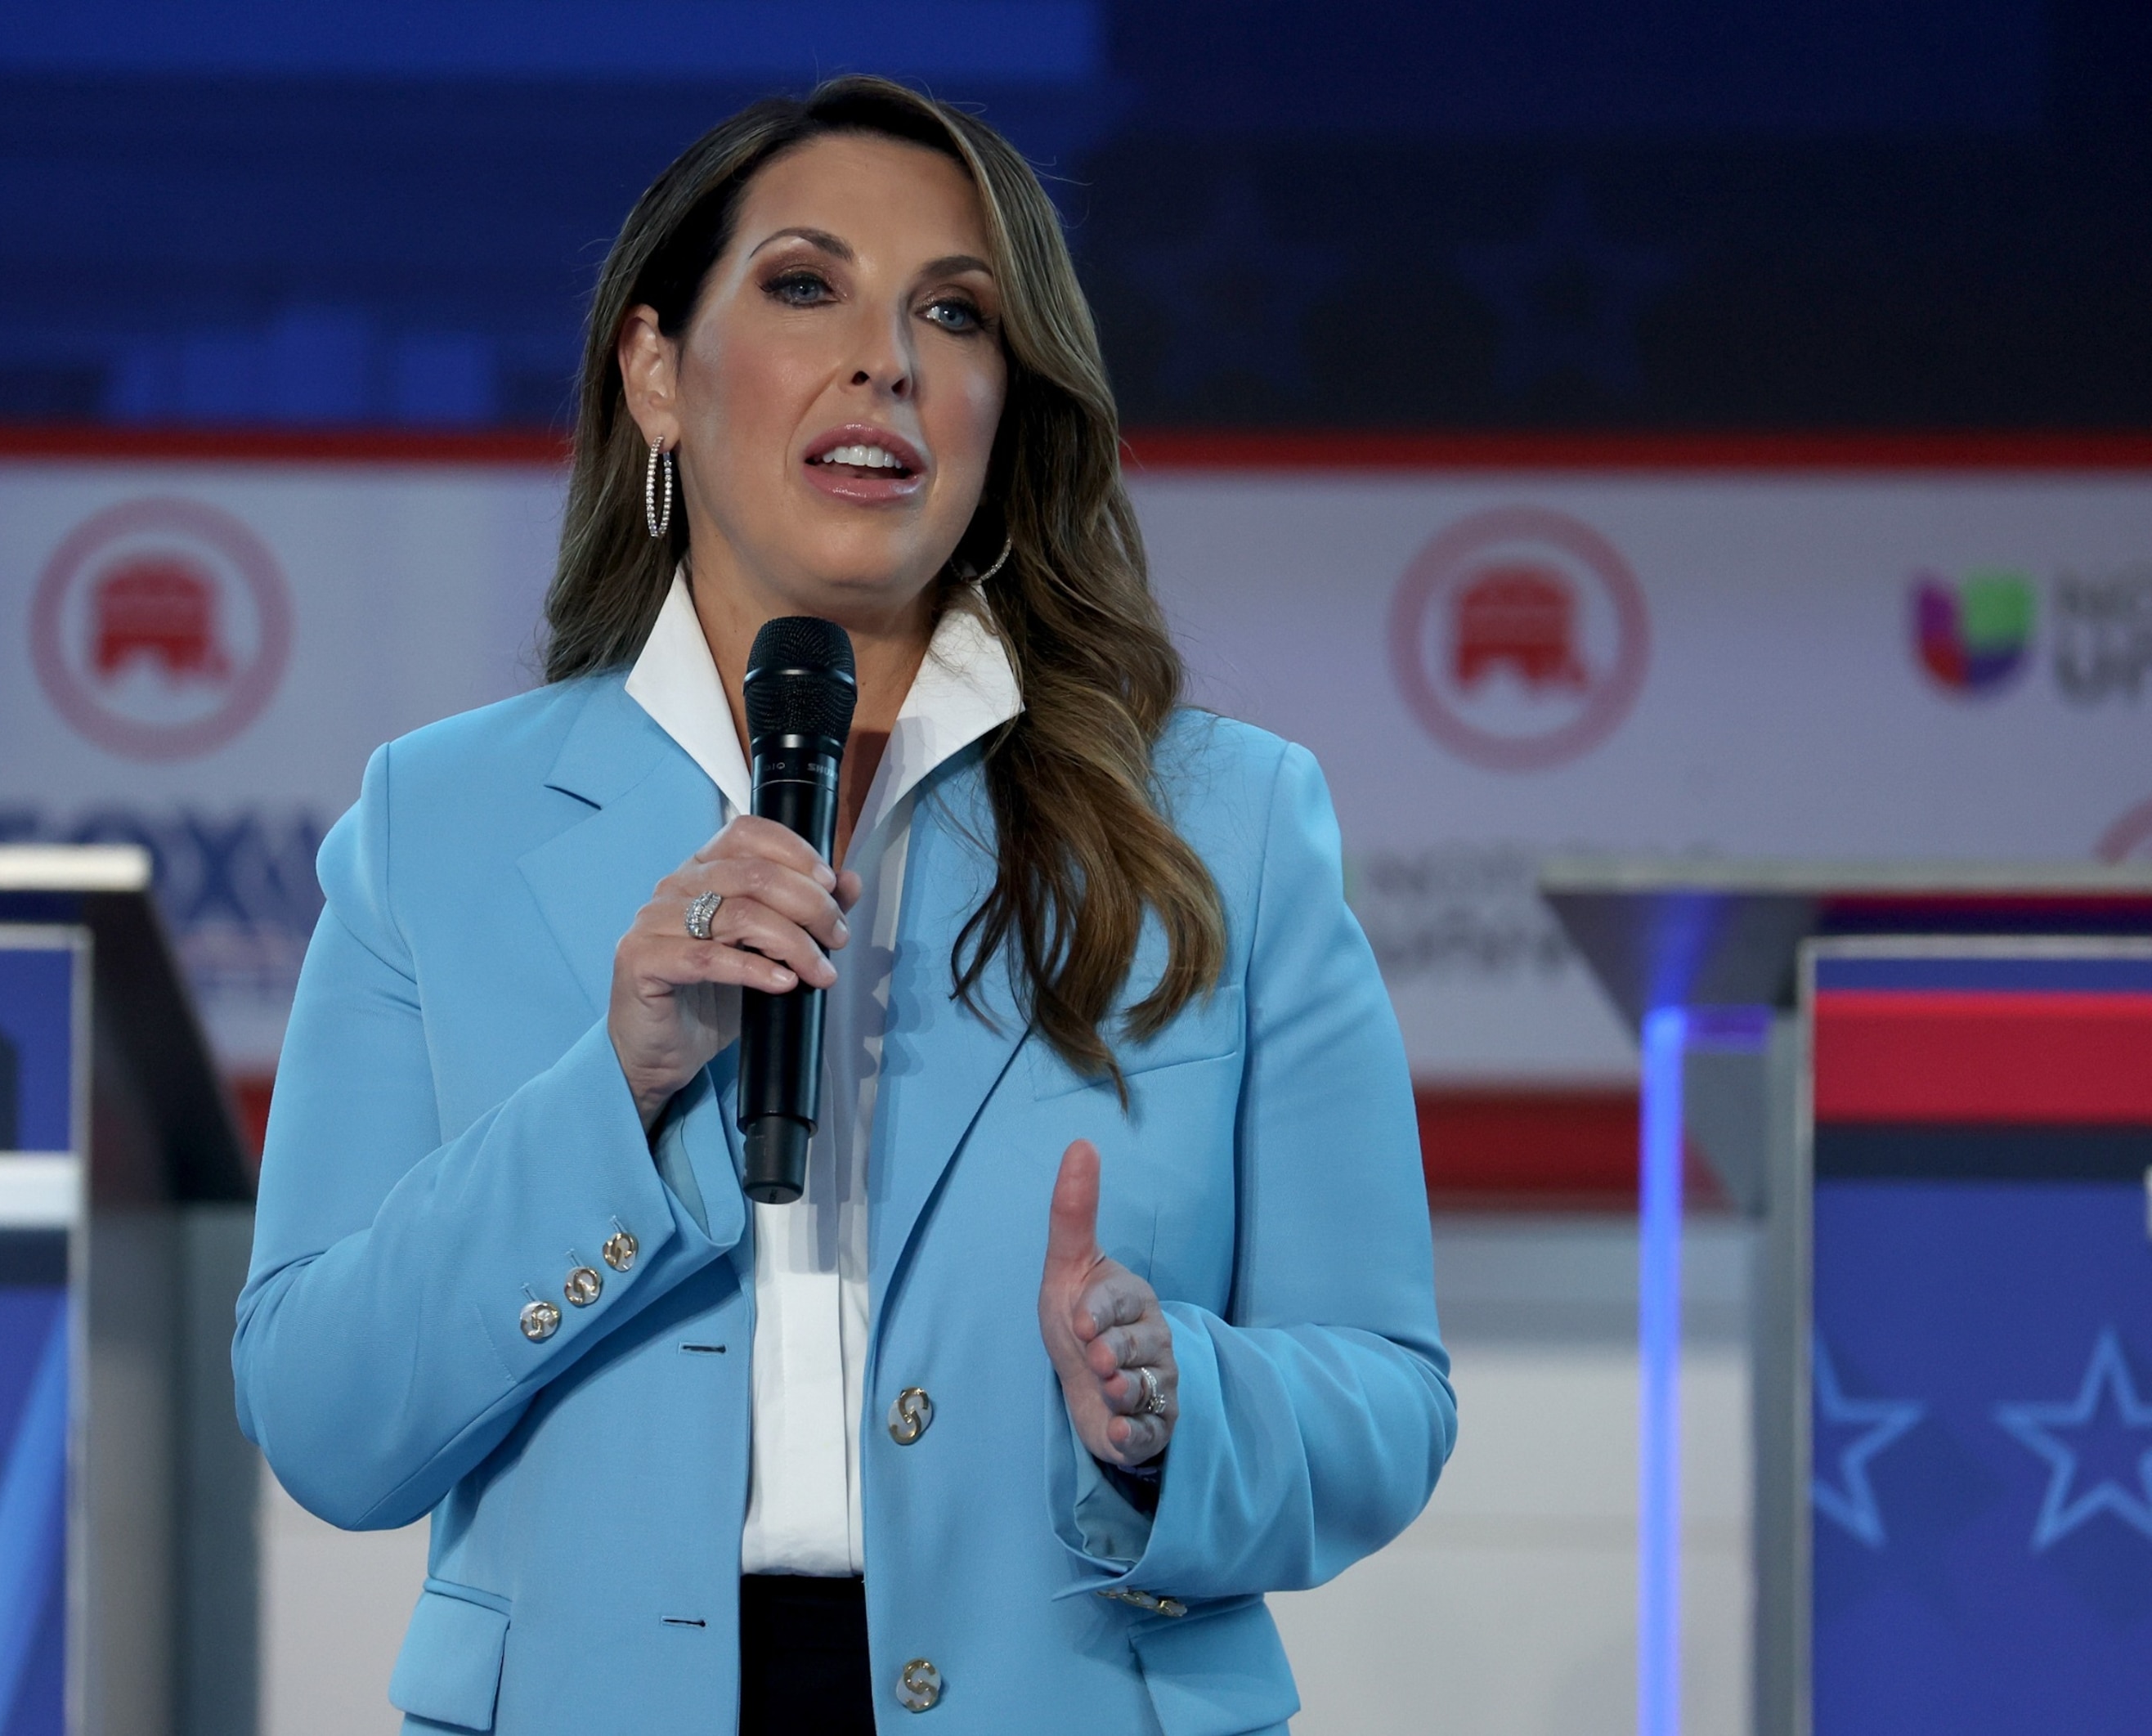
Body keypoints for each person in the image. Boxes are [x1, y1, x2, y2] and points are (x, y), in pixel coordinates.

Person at [234, 76, 1455, 1736]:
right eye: (808, 287)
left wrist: (1181, 1402)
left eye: (955, 312)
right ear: (657, 371)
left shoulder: (1226, 822)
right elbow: (323, 1418)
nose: (887, 354)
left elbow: (1384, 1399)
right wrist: (623, 1091)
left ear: (1005, 406)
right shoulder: (435, 822)